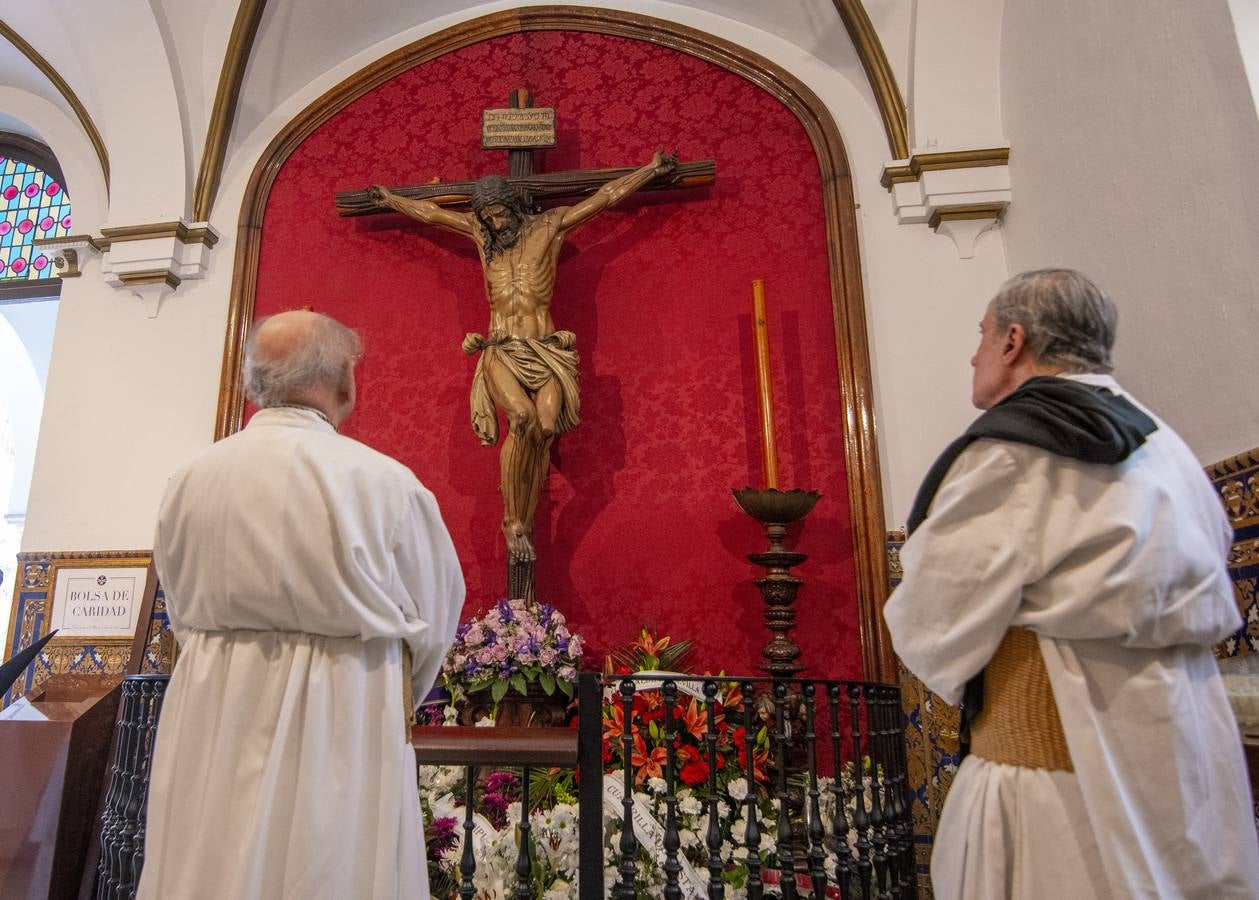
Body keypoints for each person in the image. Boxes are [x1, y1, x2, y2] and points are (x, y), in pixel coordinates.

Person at [884, 269, 1259, 899]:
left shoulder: (1018, 451)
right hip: (1183, 764)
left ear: (1013, 342)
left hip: (1056, 786)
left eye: (981, 335)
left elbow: (930, 623)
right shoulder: (1166, 449)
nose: (971, 353)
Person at [137, 310, 466, 900]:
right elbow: (434, 615)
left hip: (213, 702)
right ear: (346, 382)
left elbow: (180, 605)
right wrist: (394, 694)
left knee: (208, 863)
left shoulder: (189, 479)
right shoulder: (386, 484)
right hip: (342, 706)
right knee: (330, 866)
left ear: (254, 383)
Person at [369, 150, 676, 563]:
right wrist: (391, 200)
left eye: (500, 213)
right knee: (521, 418)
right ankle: (513, 520)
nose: (496, 222)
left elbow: (604, 198)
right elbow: (432, 216)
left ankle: (524, 516)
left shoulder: (549, 226)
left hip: (546, 351)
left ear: (514, 206)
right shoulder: (483, 238)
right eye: (489, 216)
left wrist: (649, 171)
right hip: (500, 349)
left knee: (546, 427)